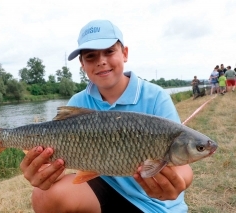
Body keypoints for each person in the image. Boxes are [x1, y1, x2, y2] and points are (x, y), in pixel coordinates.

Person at [20, 20, 193, 213]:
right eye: (91, 56)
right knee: (43, 195)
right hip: (101, 189)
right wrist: (44, 172)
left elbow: (183, 166)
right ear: (82, 64)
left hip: (153, 203)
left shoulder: (156, 97)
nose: (101, 61)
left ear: (124, 53)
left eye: (109, 51)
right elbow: (67, 166)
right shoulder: (77, 101)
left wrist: (179, 183)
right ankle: (2, 138)